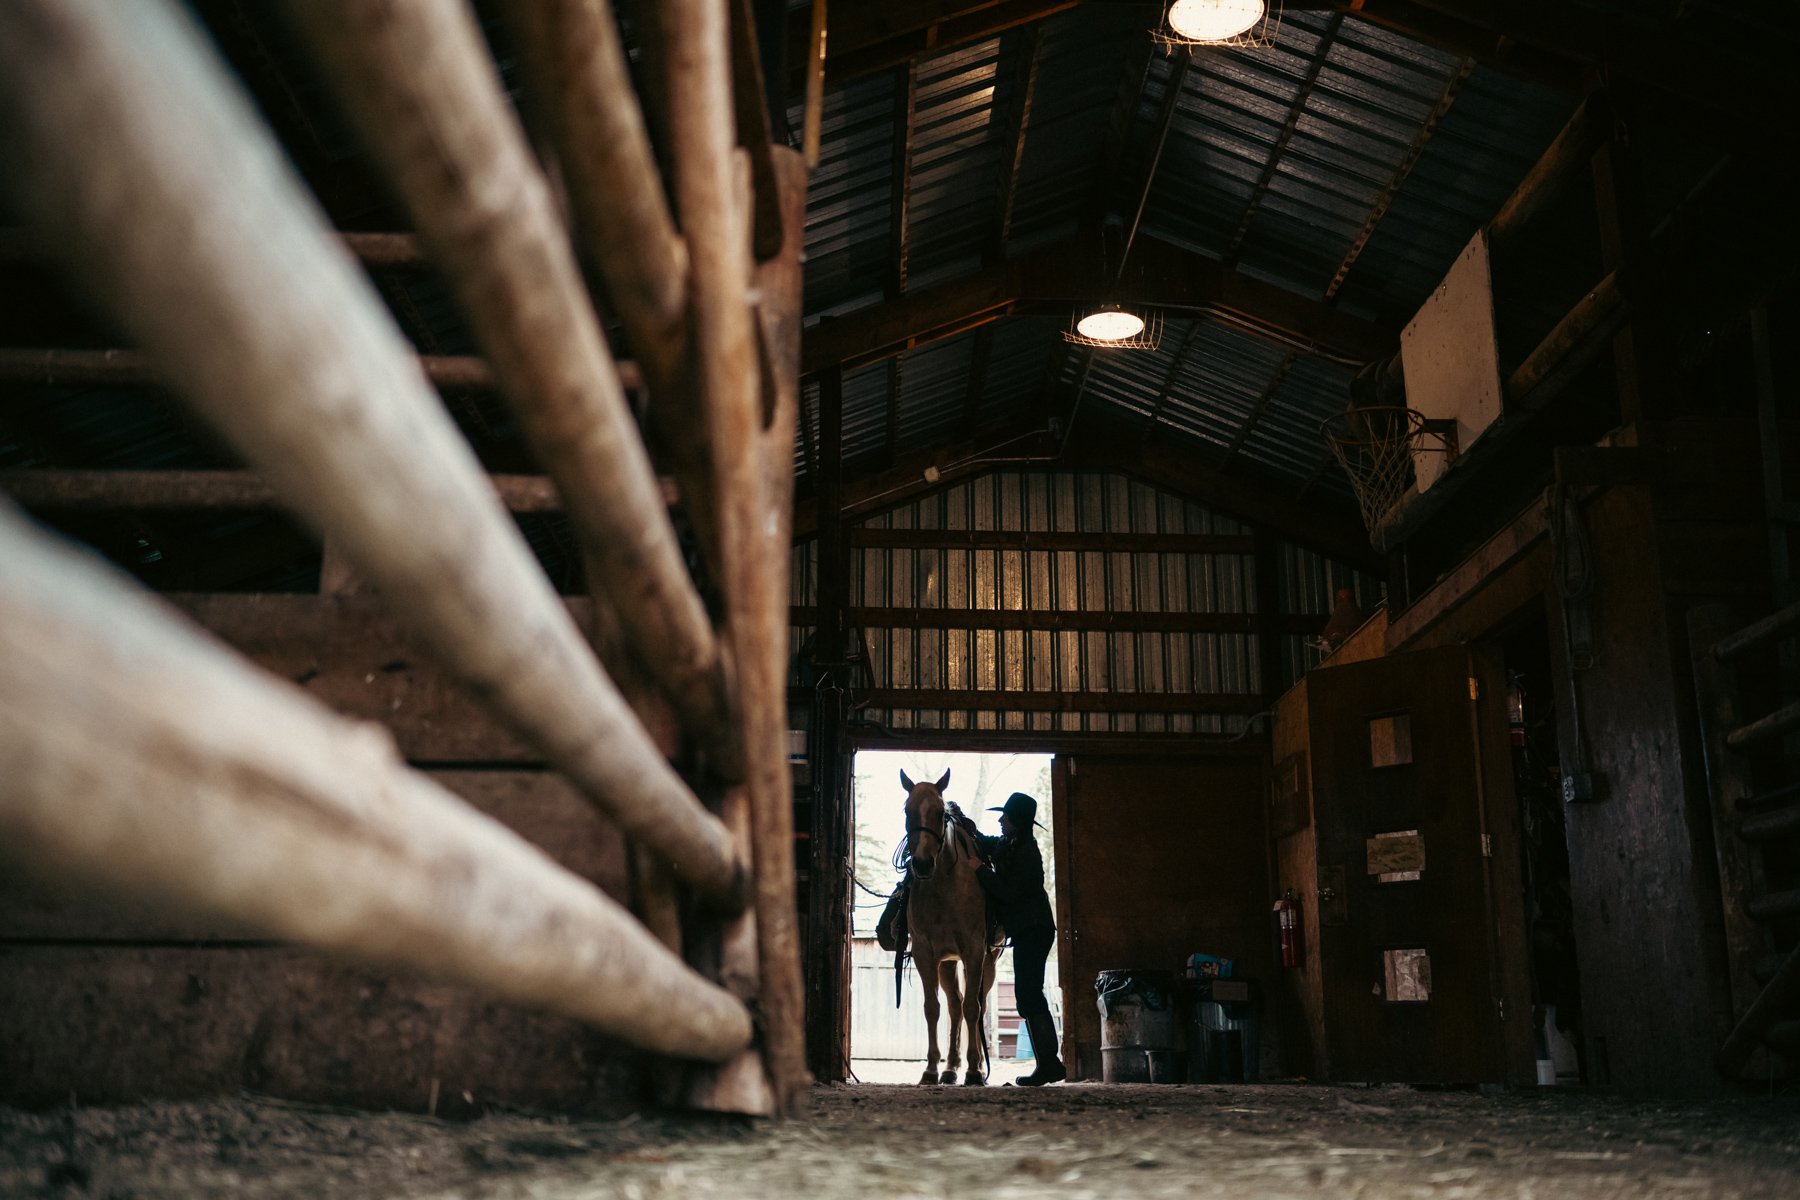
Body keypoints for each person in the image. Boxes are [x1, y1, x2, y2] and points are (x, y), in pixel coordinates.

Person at [974, 792, 1064, 1086]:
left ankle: (1050, 1064)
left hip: (1034, 930)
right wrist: (964, 824)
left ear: (1018, 822)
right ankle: (1049, 1064)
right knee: (1028, 995)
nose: (1001, 820)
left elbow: (1008, 892)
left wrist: (981, 871)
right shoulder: (1010, 845)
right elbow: (987, 842)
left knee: (1029, 995)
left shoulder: (1026, 853)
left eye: (1006, 817)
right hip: (1029, 930)